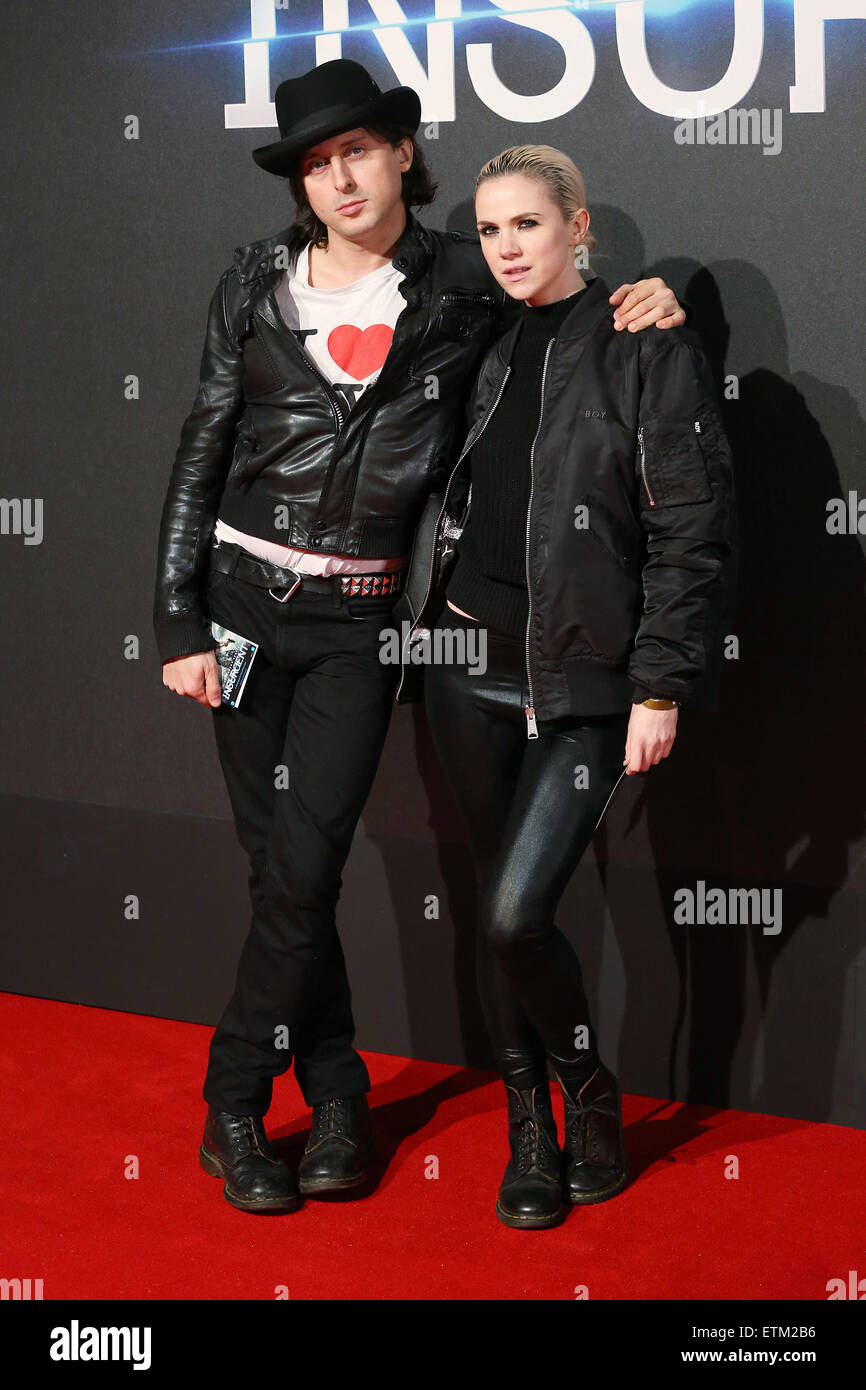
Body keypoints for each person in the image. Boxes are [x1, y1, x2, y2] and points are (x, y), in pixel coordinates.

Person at [153, 58, 685, 1215]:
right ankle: (335, 1091)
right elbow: (202, 443)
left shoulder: (459, 279)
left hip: (356, 624)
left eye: (355, 151)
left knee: (305, 867)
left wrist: (642, 295)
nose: (336, 178)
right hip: (240, 609)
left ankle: (232, 1099)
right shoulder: (253, 279)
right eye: (312, 163)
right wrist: (176, 612)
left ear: (400, 152)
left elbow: (562, 305)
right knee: (276, 876)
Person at [398, 145, 736, 1228]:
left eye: (528, 227)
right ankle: (528, 1127)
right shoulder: (483, 331)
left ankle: (586, 1088)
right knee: (499, 909)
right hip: (462, 663)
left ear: (576, 226)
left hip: (580, 684)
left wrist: (660, 684)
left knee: (510, 919)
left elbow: (689, 529)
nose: (504, 247)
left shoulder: (643, 341)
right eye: (489, 229)